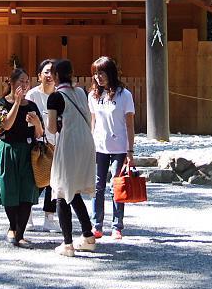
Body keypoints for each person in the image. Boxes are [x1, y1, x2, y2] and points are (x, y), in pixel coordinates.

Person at [46, 58, 97, 256]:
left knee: (60, 191)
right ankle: (88, 235)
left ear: (56, 75)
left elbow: (51, 128)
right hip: (86, 143)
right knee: (73, 190)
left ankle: (67, 244)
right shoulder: (81, 92)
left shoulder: (55, 97)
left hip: (69, 144)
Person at [0, 67, 44, 248]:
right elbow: (5, 126)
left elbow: (39, 134)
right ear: (11, 83)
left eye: (27, 81)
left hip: (28, 152)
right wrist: (17, 103)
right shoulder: (1, 104)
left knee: (27, 192)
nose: (25, 85)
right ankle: (13, 227)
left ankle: (20, 234)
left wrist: (37, 123)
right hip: (9, 151)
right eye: (21, 81)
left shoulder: (32, 106)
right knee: (9, 190)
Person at [88, 56, 136, 239]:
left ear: (110, 73)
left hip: (120, 147)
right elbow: (93, 122)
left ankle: (117, 226)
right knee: (97, 186)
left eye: (101, 73)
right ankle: (97, 225)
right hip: (99, 146)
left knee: (116, 185)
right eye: (95, 74)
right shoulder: (93, 96)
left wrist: (130, 151)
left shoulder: (125, 95)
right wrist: (89, 144)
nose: (98, 77)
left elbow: (130, 125)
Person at [25, 58, 60, 233]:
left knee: (53, 182)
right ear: (39, 75)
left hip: (57, 144)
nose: (49, 75)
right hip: (37, 144)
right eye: (46, 72)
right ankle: (27, 215)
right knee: (34, 180)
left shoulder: (60, 95)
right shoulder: (32, 95)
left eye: (53, 72)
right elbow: (28, 120)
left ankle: (49, 218)